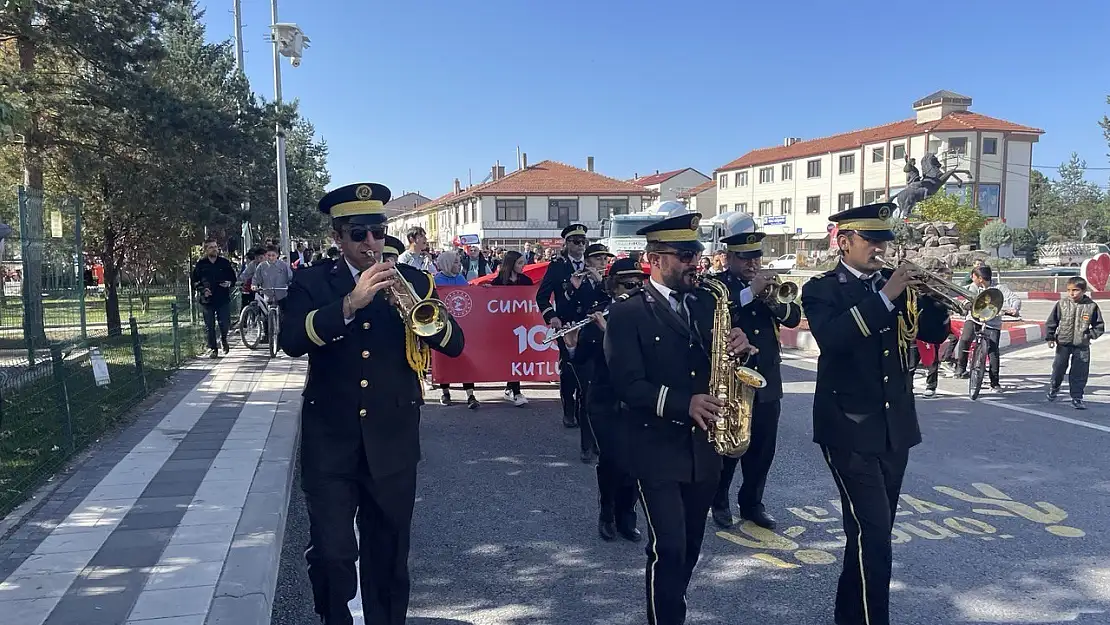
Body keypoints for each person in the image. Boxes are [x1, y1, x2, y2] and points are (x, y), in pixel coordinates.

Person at [280, 182, 464, 625]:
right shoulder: (311, 281)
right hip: (331, 441)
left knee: (389, 552)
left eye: (378, 232)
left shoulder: (415, 280)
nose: (371, 243)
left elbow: (455, 344)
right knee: (332, 552)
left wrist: (424, 323)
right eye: (359, 234)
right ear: (338, 238)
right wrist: (350, 303)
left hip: (393, 439)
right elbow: (290, 342)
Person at [800, 202, 950, 625]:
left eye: (885, 241)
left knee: (867, 537)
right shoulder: (821, 289)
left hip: (895, 428)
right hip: (848, 428)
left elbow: (932, 333)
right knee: (876, 539)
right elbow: (833, 339)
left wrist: (934, 299)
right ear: (844, 242)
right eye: (871, 241)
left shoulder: (892, 285)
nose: (880, 249)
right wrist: (887, 296)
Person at [605, 212, 754, 625]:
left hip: (704, 448)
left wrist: (741, 347)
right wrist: (682, 403)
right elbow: (627, 384)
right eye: (686, 255)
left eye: (698, 254)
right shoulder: (628, 313)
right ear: (655, 259)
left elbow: (724, 360)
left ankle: (673, 607)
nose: (696, 263)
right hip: (654, 448)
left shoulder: (710, 302)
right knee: (667, 547)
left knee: (689, 547)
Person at [710, 231, 801, 530]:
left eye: (756, 258)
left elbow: (792, 317)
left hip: (768, 377)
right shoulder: (717, 285)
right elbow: (714, 315)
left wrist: (771, 297)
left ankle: (752, 503)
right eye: (746, 259)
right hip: (734, 376)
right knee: (730, 445)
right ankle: (719, 499)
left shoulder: (769, 285)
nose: (752, 264)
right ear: (730, 258)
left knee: (763, 448)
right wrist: (750, 291)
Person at [564, 257, 644, 543]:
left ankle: (628, 516)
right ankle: (607, 513)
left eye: (638, 284)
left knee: (634, 462)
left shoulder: (649, 316)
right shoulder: (598, 314)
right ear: (612, 287)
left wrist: (608, 332)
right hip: (604, 397)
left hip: (637, 399)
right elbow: (584, 359)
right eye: (627, 284)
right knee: (612, 459)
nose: (634, 289)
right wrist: (572, 347)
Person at [536, 223, 591, 428]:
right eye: (576, 242)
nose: (581, 246)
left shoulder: (592, 262)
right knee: (569, 368)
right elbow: (542, 297)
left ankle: (585, 409)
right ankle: (569, 409)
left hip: (590, 323)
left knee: (590, 368)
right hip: (566, 325)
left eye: (583, 241)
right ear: (567, 244)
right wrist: (552, 317)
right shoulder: (557, 266)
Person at [563, 242, 613, 463]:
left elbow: (612, 301)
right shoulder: (576, 280)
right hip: (585, 343)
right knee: (587, 395)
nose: (603, 262)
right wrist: (573, 288)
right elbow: (565, 310)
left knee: (606, 395)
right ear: (588, 260)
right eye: (599, 258)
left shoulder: (610, 283)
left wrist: (601, 282)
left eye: (605, 259)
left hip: (608, 342)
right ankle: (586, 445)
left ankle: (602, 441)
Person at [953, 265, 1020, 391]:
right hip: (974, 318)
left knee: (993, 350)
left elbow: (1014, 298)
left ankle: (995, 382)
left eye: (973, 276)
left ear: (980, 278)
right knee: (965, 339)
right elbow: (964, 298)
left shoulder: (999, 288)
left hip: (992, 322)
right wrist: (966, 305)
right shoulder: (973, 287)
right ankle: (960, 368)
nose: (972, 278)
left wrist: (1014, 308)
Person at [1046, 276, 1105, 409]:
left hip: (1082, 345)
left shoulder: (1091, 306)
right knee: (1058, 368)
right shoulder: (1062, 304)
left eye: (1075, 290)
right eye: (1069, 290)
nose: (1071, 293)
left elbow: (1099, 326)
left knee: (1080, 372)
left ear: (1083, 291)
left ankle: (1077, 397)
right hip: (1063, 343)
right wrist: (1050, 337)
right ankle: (1055, 387)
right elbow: (1052, 322)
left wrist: (1089, 335)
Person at [432, 250, 478, 409]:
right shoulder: (436, 280)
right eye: (456, 262)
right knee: (445, 357)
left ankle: (470, 394)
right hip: (444, 325)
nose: (460, 265)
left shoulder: (460, 279)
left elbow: (470, 297)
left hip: (462, 324)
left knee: (465, 358)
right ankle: (445, 392)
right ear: (447, 264)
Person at [490, 250, 533, 407]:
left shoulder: (526, 281)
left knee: (518, 357)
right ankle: (513, 390)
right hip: (503, 326)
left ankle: (513, 389)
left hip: (522, 325)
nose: (523, 266)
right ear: (511, 263)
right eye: (520, 263)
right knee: (509, 357)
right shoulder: (499, 281)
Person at [191, 239, 237, 358]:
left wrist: (228, 283)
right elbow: (195, 281)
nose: (214, 249)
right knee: (209, 326)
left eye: (215, 247)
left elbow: (233, 279)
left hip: (222, 299)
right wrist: (203, 290)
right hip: (207, 300)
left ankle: (224, 339)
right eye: (211, 247)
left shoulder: (224, 263)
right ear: (206, 250)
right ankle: (213, 349)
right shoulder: (201, 265)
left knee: (224, 323)